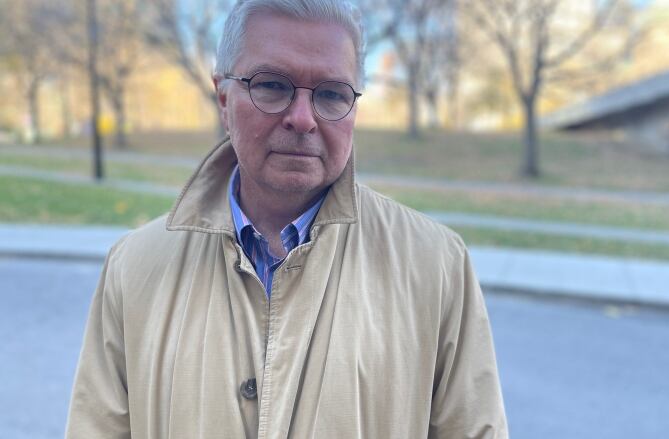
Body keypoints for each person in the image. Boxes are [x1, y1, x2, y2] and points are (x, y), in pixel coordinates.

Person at [65, 0, 507, 437]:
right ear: (224, 99)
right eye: (272, 85)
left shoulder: (436, 265)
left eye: (332, 94)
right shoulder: (135, 267)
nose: (302, 119)